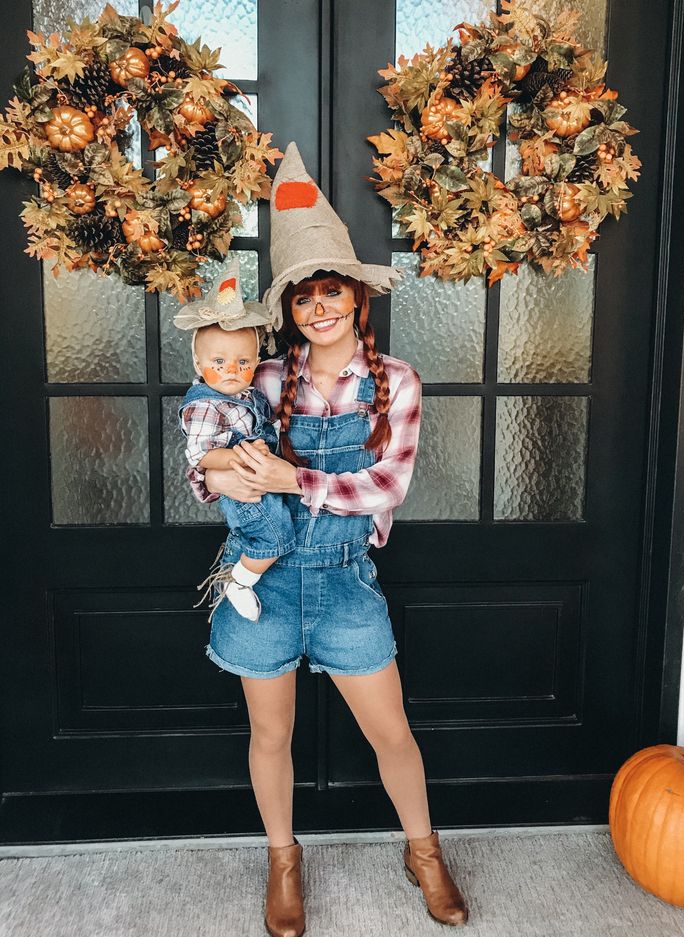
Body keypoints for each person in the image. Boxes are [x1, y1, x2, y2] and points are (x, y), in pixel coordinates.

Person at [186, 142, 469, 935]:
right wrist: (222, 468)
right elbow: (207, 469)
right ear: (288, 309)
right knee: (269, 734)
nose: (319, 307)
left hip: (346, 580)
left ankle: (424, 850)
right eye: (304, 296)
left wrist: (288, 478)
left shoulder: (395, 383)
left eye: (331, 290)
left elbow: (387, 487)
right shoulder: (265, 380)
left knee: (393, 733)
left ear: (356, 297)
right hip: (264, 584)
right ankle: (284, 858)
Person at [175, 258, 296, 621]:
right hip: (245, 492)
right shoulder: (205, 407)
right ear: (198, 363)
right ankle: (237, 582)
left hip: (261, 485)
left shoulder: (250, 394)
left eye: (243, 362)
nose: (232, 370)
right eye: (220, 361)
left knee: (268, 538)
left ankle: (240, 578)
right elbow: (201, 457)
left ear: (257, 361)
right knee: (276, 540)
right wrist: (239, 456)